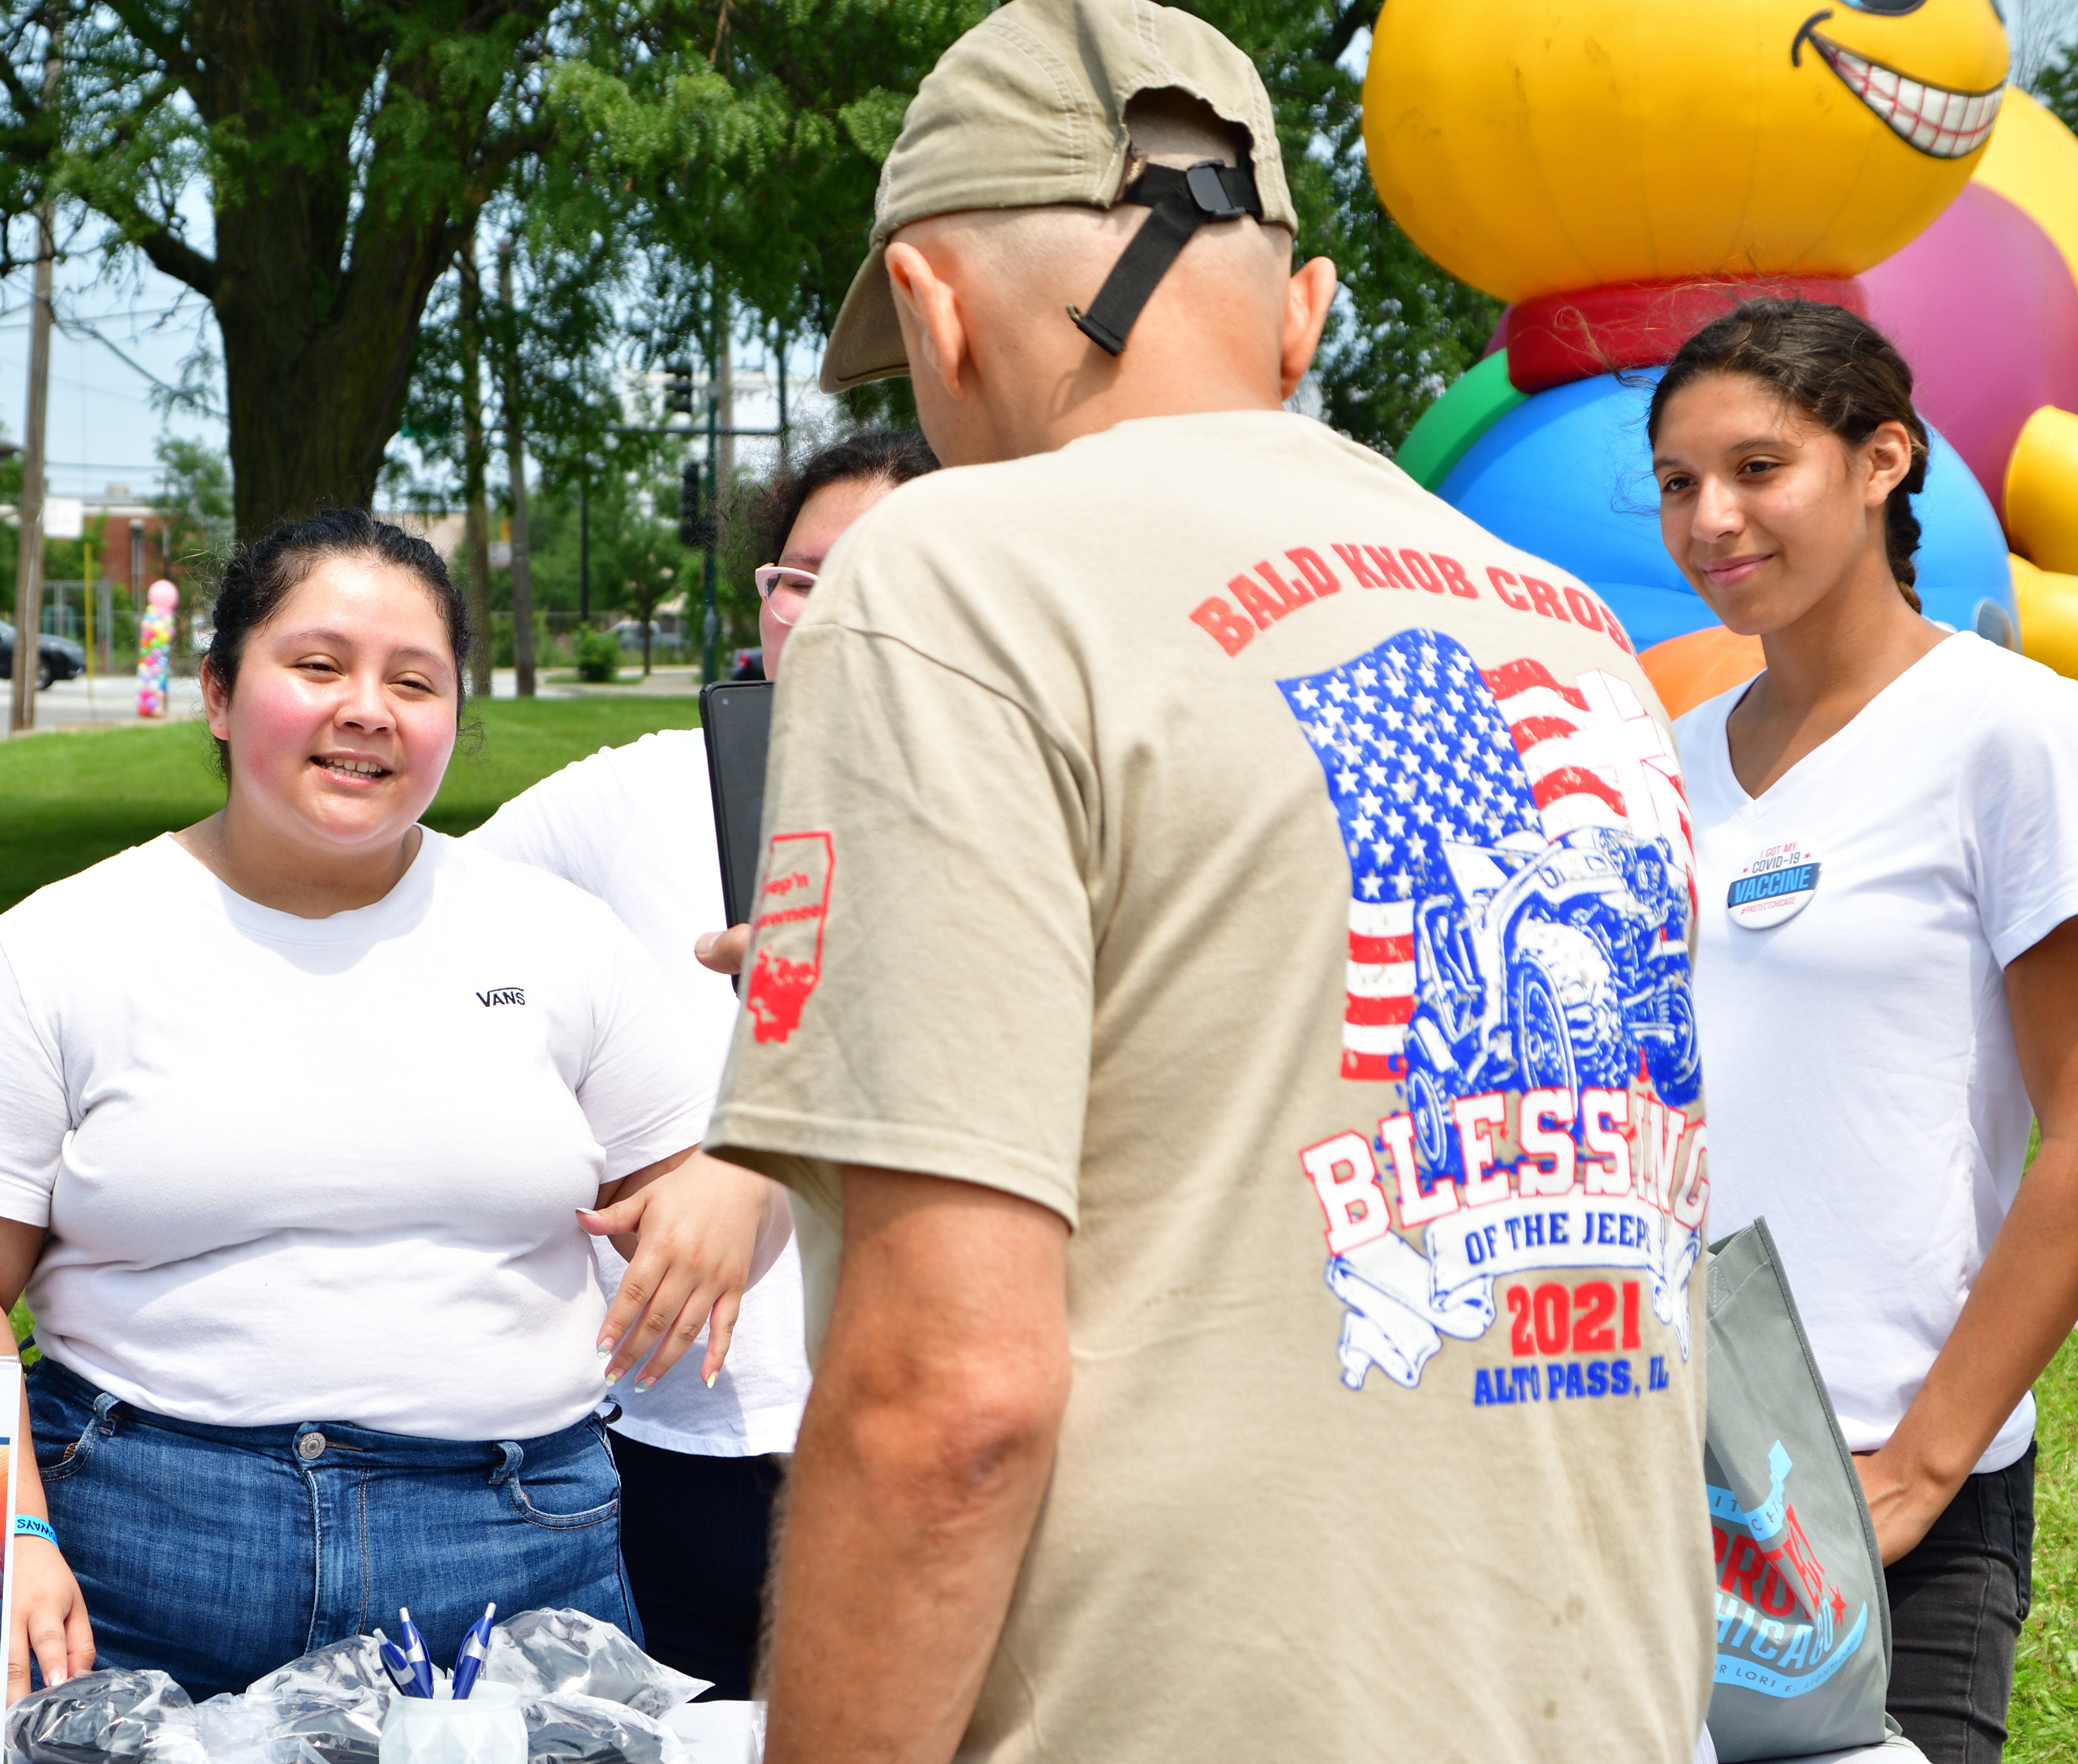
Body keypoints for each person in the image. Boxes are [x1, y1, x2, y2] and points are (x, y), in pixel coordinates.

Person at [700, 1, 1718, 1758]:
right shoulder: (1560, 620)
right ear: (1299, 311)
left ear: (935, 313)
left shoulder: (953, 573)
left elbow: (948, 1399)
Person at [0, 509, 788, 1703]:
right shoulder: (61, 945)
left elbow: (705, 1209)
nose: (369, 708)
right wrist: (9, 1537)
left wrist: (741, 1173)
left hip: (514, 1559)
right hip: (139, 1554)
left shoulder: (560, 940)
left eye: (416, 680)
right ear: (217, 691)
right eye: (318, 666)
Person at [1654, 300, 2078, 1764]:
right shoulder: (1665, 768)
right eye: (1678, 483)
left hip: (1892, 1489)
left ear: (1884, 457)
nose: (1713, 517)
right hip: (1666, 1469)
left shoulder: (2009, 735)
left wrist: (1922, 1466)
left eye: (1758, 467)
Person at [469, 431, 941, 1698]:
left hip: (930, 1431)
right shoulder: (638, 799)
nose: (834, 610)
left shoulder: (1033, 806)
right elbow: (419, 913)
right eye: (804, 577)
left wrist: (751, 1154)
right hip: (675, 1443)